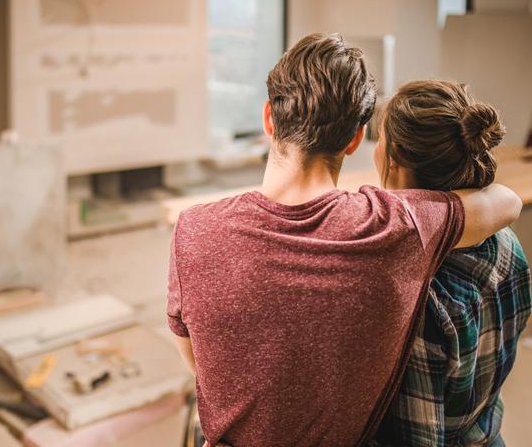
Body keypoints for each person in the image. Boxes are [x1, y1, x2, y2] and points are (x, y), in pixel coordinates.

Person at [166, 33, 522, 447]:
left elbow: (202, 365)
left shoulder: (193, 230)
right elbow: (505, 202)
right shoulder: (393, 227)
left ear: (268, 118)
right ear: (355, 139)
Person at [373, 80, 531, 446]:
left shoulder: (423, 294)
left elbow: (418, 437)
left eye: (379, 139)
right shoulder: (507, 243)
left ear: (394, 158)